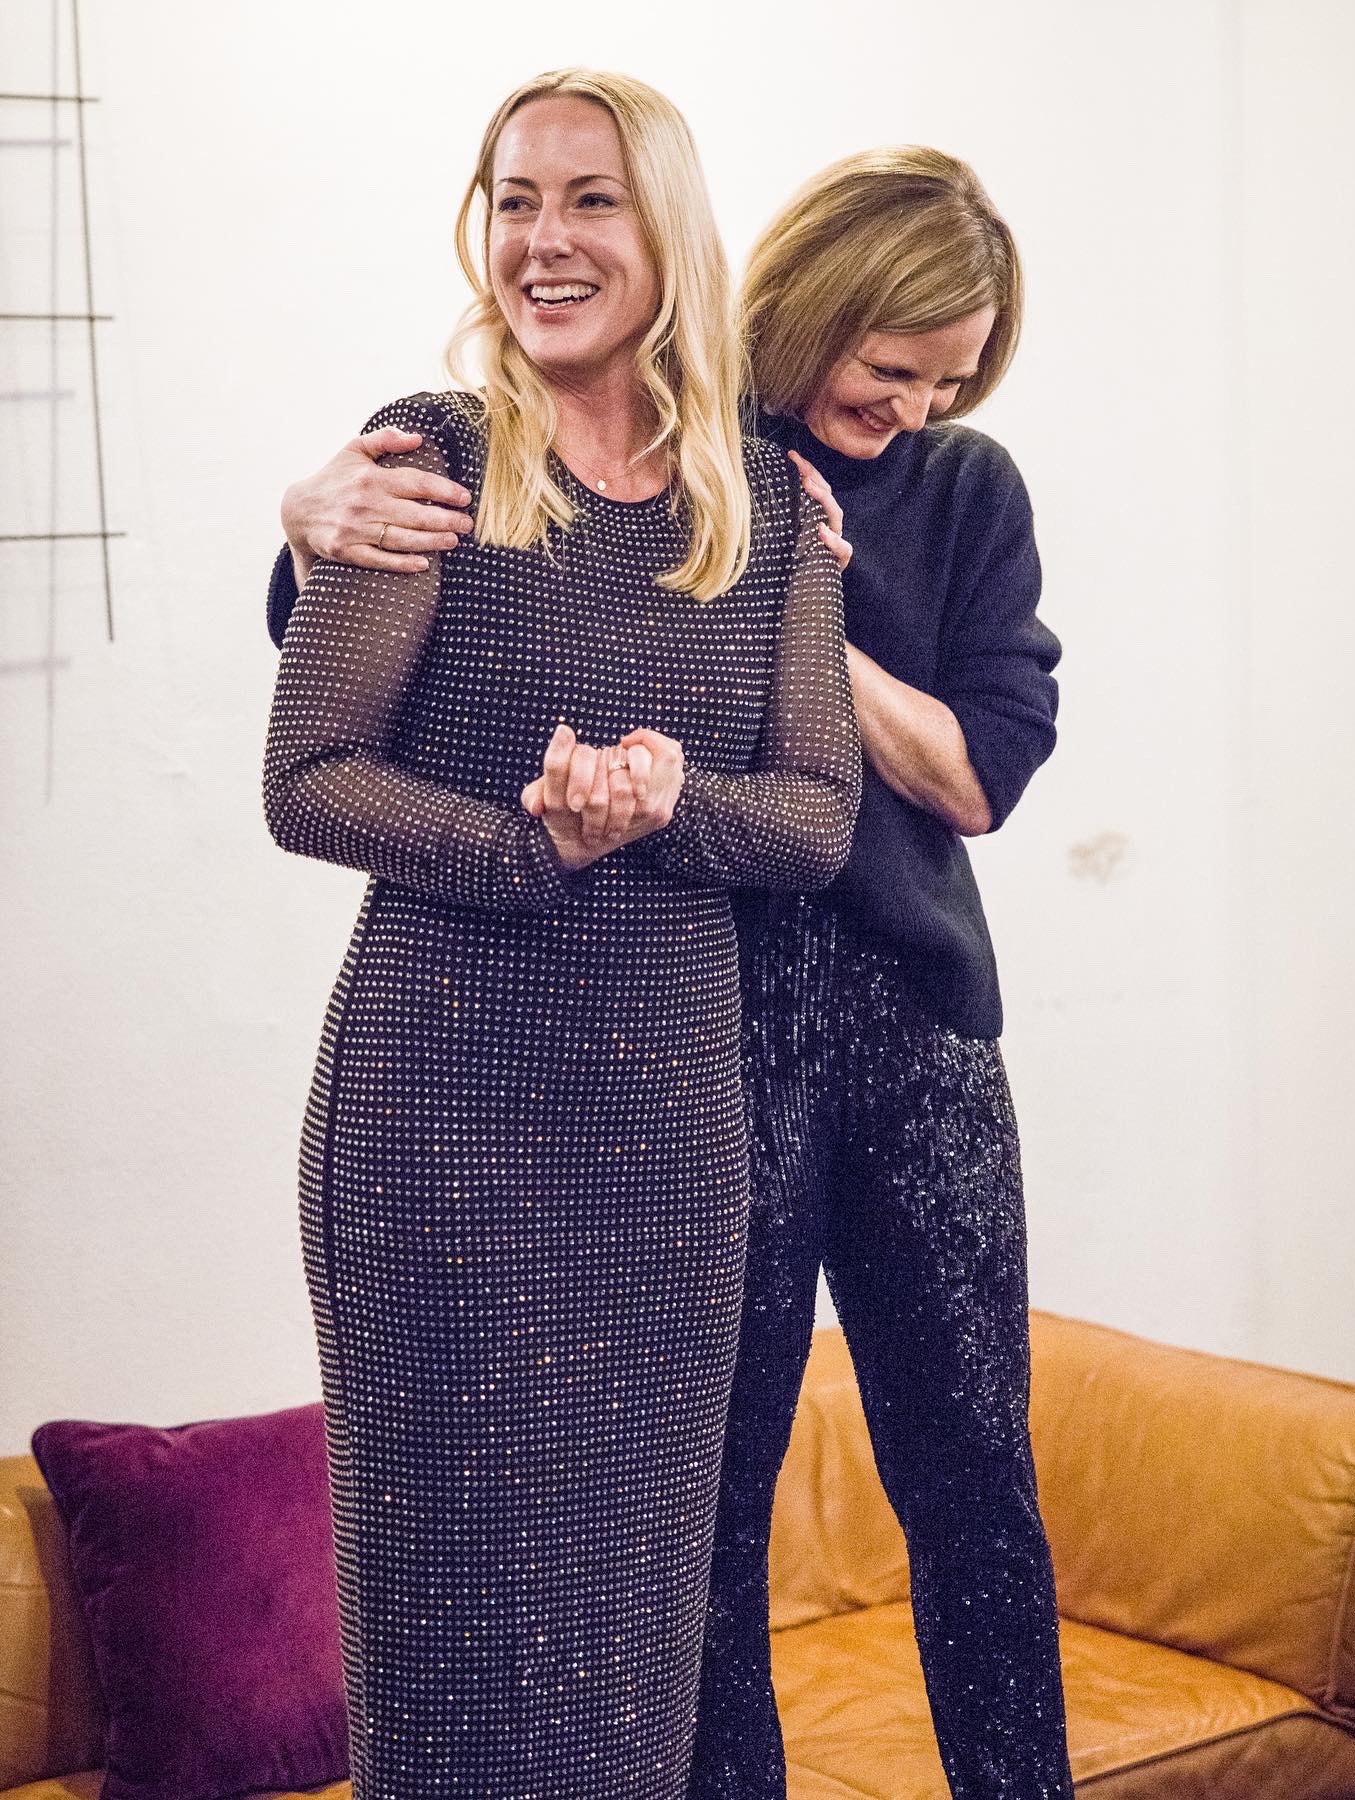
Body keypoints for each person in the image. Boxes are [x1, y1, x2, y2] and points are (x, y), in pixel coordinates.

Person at [268, 146, 1069, 1798]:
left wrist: (804, 606)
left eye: (952, 378)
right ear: (816, 311)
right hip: (703, 1029)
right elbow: (403, 641)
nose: (916, 405)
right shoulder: (669, 447)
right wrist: (303, 522)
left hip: (913, 1025)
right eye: (893, 365)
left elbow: (982, 775)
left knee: (976, 1476)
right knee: (701, 1508)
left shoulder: (949, 492)